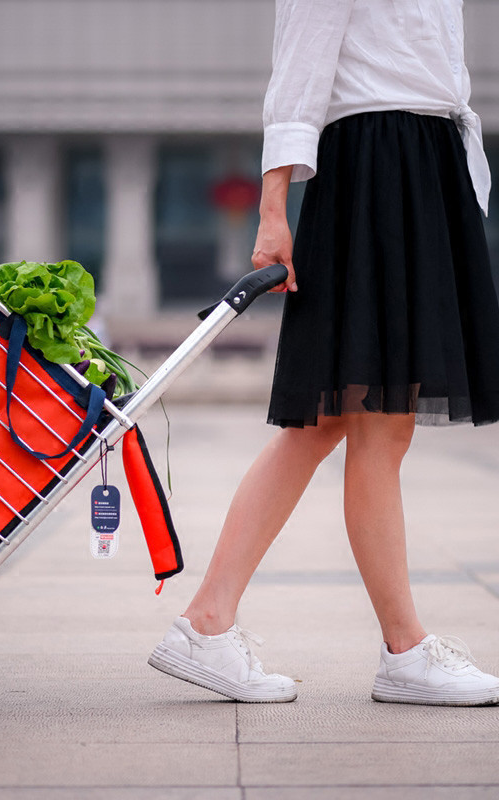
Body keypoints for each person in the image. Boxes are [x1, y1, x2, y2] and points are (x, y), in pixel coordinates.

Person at [148, 0, 499, 706]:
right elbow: (301, 60)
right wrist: (273, 208)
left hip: (421, 160)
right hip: (379, 164)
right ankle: (403, 651)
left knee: (333, 421)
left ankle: (209, 621)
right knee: (375, 417)